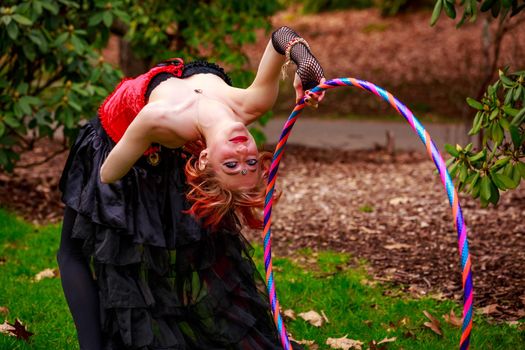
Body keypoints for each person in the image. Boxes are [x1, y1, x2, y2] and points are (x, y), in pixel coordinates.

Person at [57, 26, 324, 349]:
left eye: (231, 166)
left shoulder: (161, 117)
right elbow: (280, 36)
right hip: (152, 142)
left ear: (204, 158)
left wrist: (140, 135)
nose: (242, 155)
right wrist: (305, 64)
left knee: (72, 250)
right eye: (250, 164)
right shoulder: (253, 104)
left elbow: (107, 174)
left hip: (116, 141)